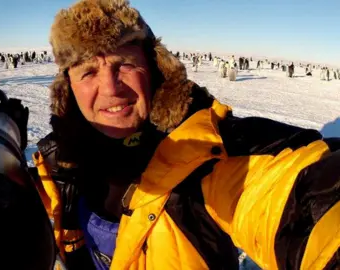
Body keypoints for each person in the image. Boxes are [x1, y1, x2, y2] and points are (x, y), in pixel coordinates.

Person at [29, 1, 340, 270]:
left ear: (154, 71)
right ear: (68, 88)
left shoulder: (207, 155)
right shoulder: (60, 166)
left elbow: (295, 194)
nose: (111, 88)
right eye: (88, 71)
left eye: (124, 64)